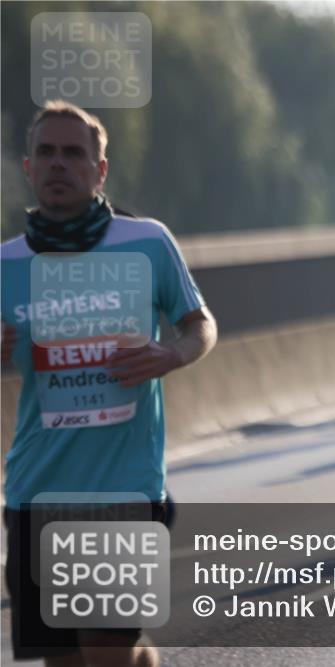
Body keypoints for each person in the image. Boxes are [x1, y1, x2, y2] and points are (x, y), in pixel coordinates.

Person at [1, 101, 217, 665]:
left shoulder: (145, 241)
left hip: (123, 487)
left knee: (102, 648)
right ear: (28, 166)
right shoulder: (6, 264)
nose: (58, 163)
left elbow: (201, 325)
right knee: (66, 659)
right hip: (35, 490)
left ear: (100, 171)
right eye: (46, 152)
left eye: (74, 153)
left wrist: (169, 354)